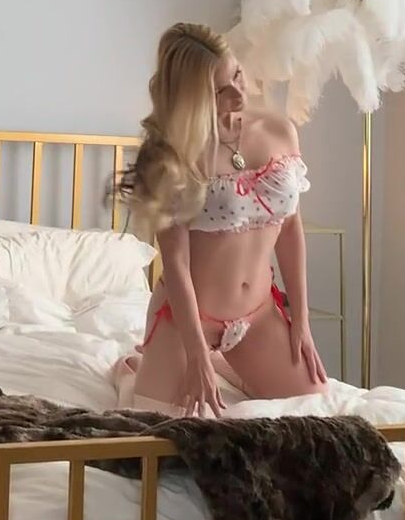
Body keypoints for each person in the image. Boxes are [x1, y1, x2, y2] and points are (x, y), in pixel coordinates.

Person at [114, 21, 327, 417]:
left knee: (312, 407)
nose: (239, 94)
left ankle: (231, 367)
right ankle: (133, 369)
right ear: (190, 97)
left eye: (238, 76)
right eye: (220, 90)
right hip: (188, 318)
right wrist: (196, 354)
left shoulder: (279, 131)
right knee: (158, 422)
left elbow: (289, 228)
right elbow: (176, 263)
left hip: (259, 316)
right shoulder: (169, 155)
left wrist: (301, 320)